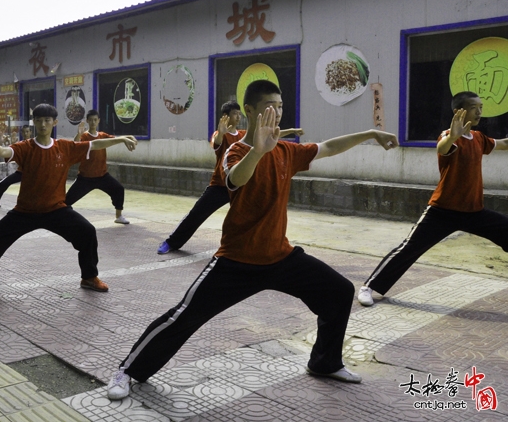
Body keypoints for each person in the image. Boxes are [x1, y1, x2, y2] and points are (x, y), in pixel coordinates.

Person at [105, 80, 400, 400]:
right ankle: (128, 370)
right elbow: (235, 179)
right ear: (250, 110)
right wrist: (259, 151)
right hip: (235, 261)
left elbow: (327, 147)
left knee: (339, 292)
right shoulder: (237, 150)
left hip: (280, 257)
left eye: (281, 106)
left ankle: (325, 362)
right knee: (184, 317)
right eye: (269, 106)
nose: (277, 112)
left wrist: (370, 134)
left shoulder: (287, 151)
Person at [0, 103, 137, 292]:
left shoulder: (64, 147)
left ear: (54, 122)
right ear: (34, 122)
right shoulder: (25, 147)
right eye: (39, 120)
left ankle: (89, 277)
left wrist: (121, 139)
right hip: (25, 211)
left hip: (56, 209)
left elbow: (95, 144)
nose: (43, 124)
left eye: (47, 120)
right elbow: (4, 152)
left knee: (87, 232)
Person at [357, 91, 508, 307]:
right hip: (442, 211)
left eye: (481, 107)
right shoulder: (447, 136)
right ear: (459, 111)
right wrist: (453, 137)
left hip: (474, 211)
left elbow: (502, 144)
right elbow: (442, 147)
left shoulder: (478, 138)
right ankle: (368, 287)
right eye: (475, 107)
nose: (480, 112)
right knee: (408, 249)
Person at [157, 101, 303, 254]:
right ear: (226, 116)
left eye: (240, 114)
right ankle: (171, 242)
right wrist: (220, 132)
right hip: (221, 186)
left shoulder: (242, 135)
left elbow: (271, 134)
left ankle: (258, 251)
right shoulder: (221, 134)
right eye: (235, 114)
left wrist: (291, 130)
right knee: (196, 214)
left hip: (242, 185)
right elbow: (216, 143)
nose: (238, 116)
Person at [65, 110, 131, 224]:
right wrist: (79, 133)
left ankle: (118, 216)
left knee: (118, 189)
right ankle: (61, 216)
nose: (93, 122)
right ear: (87, 121)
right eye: (90, 120)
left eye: (95, 120)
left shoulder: (102, 135)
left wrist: (128, 137)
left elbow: (114, 139)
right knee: (66, 200)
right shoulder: (84, 136)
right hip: (85, 178)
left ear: (99, 121)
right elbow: (75, 145)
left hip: (102, 176)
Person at [0, 125, 32, 209]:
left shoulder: (34, 144)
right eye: (23, 132)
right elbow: (6, 152)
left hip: (33, 173)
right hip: (22, 171)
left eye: (27, 132)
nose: (25, 134)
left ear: (30, 132)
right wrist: (10, 143)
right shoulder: (20, 144)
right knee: (2, 183)